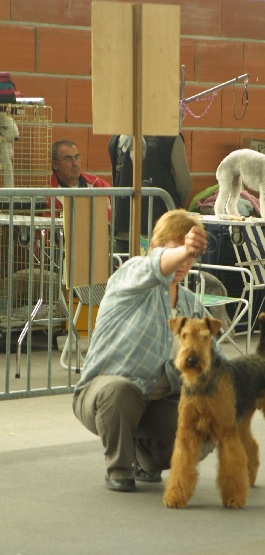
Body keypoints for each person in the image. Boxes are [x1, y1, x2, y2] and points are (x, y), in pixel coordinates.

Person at [72, 209, 211, 492]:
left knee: (208, 420)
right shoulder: (130, 275)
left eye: (191, 256)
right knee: (120, 391)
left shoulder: (190, 303)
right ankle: (119, 468)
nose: (185, 261)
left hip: (157, 402)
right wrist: (186, 248)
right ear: (156, 248)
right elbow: (154, 266)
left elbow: (213, 359)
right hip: (104, 395)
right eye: (178, 251)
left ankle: (146, 459)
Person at [108, 134, 191, 251]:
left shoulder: (117, 138)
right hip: (159, 226)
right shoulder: (170, 137)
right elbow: (184, 184)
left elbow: (117, 178)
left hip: (123, 224)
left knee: (126, 262)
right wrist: (171, 205)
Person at [50, 139, 111, 214]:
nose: (75, 163)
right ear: (55, 164)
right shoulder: (49, 194)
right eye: (68, 159)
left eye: (76, 157)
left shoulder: (99, 185)